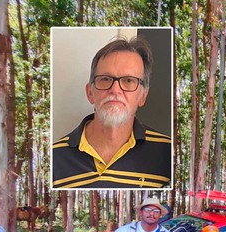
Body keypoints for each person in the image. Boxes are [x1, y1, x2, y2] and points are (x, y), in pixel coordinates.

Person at [53, 36, 171, 189]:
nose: (115, 90)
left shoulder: (167, 153)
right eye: (105, 79)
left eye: (128, 81)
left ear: (142, 96)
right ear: (90, 92)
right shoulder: (55, 157)